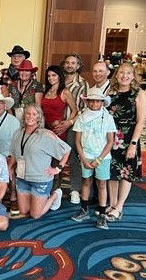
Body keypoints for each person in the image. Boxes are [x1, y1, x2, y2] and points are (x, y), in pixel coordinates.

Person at [8, 104, 70, 219]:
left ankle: (55, 195)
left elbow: (66, 150)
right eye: (28, 113)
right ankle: (37, 199)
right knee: (24, 210)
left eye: (34, 114)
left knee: (35, 214)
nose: (30, 116)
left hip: (40, 180)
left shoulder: (45, 134)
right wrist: (10, 167)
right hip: (22, 178)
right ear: (24, 116)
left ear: (39, 117)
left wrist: (58, 168)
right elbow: (14, 153)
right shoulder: (18, 133)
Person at [71, 87, 116, 229]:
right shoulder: (81, 117)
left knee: (102, 184)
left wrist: (99, 159)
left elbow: (110, 141)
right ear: (87, 102)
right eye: (91, 101)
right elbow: (77, 141)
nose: (94, 104)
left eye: (98, 101)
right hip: (86, 156)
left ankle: (102, 214)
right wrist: (83, 158)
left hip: (102, 157)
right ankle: (84, 210)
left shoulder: (108, 118)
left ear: (102, 102)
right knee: (86, 182)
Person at [106, 62, 146, 221]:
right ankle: (112, 203)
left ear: (133, 76)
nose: (125, 76)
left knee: (126, 172)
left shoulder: (138, 93)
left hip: (129, 137)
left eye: (128, 73)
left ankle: (119, 206)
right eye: (121, 72)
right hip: (111, 136)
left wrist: (133, 143)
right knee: (112, 172)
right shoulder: (112, 92)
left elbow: (141, 121)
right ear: (116, 74)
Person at [62, 54, 89, 205]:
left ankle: (74, 190)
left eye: (73, 63)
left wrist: (70, 121)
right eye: (67, 62)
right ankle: (55, 188)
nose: (70, 65)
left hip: (74, 126)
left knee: (73, 158)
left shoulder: (83, 84)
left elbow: (83, 109)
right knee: (56, 157)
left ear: (78, 66)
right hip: (58, 126)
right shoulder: (58, 80)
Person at [41, 65, 78, 141]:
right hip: (44, 128)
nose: (51, 78)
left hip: (58, 130)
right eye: (49, 76)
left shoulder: (65, 92)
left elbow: (75, 110)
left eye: (54, 75)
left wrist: (67, 124)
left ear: (59, 76)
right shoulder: (46, 91)